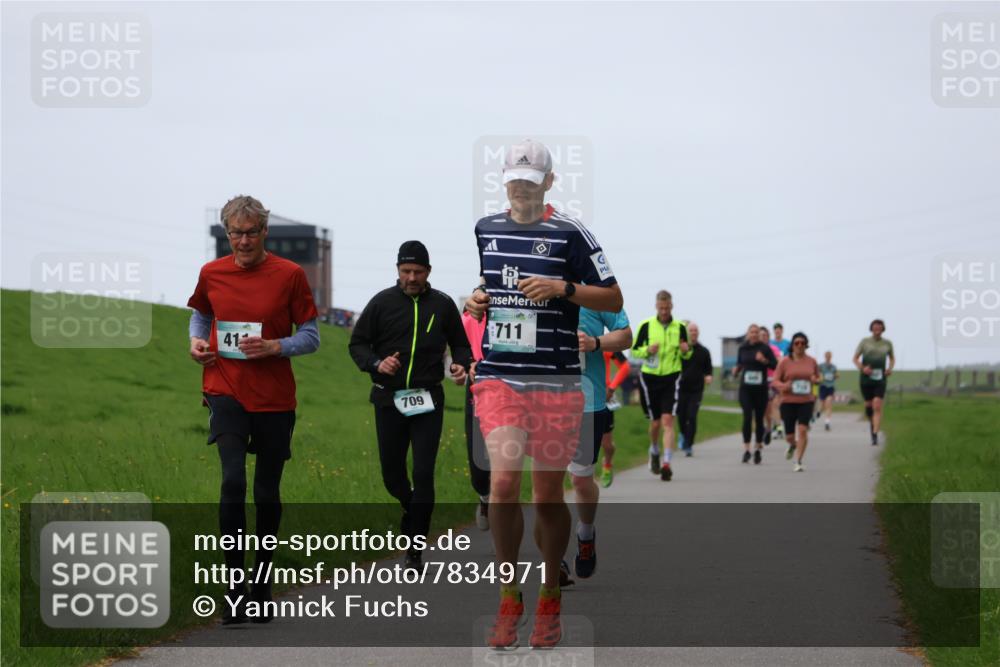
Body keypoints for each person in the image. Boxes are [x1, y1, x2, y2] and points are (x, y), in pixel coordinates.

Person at [464, 139, 622, 650]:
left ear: (549, 183)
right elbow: (489, 285)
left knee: (547, 495)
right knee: (504, 485)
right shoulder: (487, 228)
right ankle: (511, 594)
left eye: (531, 183)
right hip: (499, 377)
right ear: (504, 181)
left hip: (555, 381)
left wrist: (564, 290)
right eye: (514, 182)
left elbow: (614, 296)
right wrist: (476, 298)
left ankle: (550, 593)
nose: (521, 191)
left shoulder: (571, 233)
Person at [187, 195, 320, 624]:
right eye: (235, 233)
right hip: (225, 389)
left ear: (265, 232)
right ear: (227, 234)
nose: (243, 241)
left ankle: (261, 584)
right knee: (231, 483)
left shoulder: (290, 275)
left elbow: (312, 335)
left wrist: (275, 346)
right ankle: (233, 587)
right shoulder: (212, 273)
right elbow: (200, 314)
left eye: (250, 232)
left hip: (274, 397)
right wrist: (196, 343)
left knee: (265, 493)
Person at [349, 241, 473, 570]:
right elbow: (357, 343)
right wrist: (376, 364)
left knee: (423, 472)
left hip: (427, 398)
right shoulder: (381, 303)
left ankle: (415, 549)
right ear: (398, 271)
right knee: (393, 476)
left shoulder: (443, 304)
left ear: (428, 272)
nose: (412, 277)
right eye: (406, 271)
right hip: (388, 398)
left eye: (418, 271)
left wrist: (460, 364)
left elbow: (461, 344)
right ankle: (411, 509)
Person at [571, 307, 632, 579]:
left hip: (589, 400)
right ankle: (553, 559)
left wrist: (594, 343)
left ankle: (586, 533)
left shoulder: (595, 289)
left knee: (581, 481)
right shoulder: (534, 285)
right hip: (543, 398)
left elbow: (625, 339)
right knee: (545, 483)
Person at [632, 291, 691, 481]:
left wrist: (685, 351)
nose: (664, 311)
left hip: (671, 377)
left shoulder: (680, 328)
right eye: (661, 308)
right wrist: (647, 350)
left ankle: (667, 463)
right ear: (656, 306)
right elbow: (634, 352)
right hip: (650, 378)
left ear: (672, 306)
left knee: (668, 421)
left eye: (667, 308)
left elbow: (686, 354)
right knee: (655, 423)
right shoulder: (646, 326)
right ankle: (654, 449)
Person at [773, 332, 821, 471]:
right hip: (788, 401)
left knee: (803, 430)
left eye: (802, 343)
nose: (800, 346)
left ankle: (798, 461)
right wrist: (783, 386)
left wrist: (815, 380)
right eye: (797, 343)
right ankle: (793, 445)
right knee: (789, 436)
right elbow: (775, 380)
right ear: (792, 345)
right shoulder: (784, 362)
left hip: (806, 400)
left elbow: (818, 378)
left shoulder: (811, 361)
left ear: (806, 345)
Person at [461, 309, 492, 530]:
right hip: (478, 389)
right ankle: (484, 497)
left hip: (514, 386)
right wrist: (466, 364)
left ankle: (505, 549)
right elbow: (458, 346)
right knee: (479, 469)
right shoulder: (472, 311)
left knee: (507, 468)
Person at [731, 323, 777, 464]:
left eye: (757, 332)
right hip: (746, 389)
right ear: (748, 333)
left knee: (758, 419)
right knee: (747, 417)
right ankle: (746, 449)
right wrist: (736, 370)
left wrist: (763, 360)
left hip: (761, 389)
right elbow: (740, 364)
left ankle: (757, 449)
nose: (754, 334)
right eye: (752, 332)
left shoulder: (765, 348)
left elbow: (774, 365)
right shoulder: (743, 348)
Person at [853, 319, 895, 446]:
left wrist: (889, 369)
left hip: (880, 377)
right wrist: (863, 368)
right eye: (875, 327)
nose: (877, 329)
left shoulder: (887, 343)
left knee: (877, 404)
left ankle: (875, 434)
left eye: (879, 327)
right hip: (866, 377)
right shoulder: (865, 342)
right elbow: (855, 358)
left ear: (883, 329)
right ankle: (872, 425)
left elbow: (892, 358)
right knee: (868, 406)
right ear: (871, 329)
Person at [677, 322, 713, 457]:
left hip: (696, 390)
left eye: (695, 330)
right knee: (681, 416)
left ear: (698, 333)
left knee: (692, 416)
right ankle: (683, 434)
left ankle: (689, 444)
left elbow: (708, 369)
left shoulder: (704, 351)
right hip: (681, 388)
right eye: (691, 330)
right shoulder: (680, 349)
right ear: (687, 333)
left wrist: (709, 376)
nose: (693, 332)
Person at [599, 350, 630, 486]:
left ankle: (607, 463)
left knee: (607, 445)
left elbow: (625, 366)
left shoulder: (605, 343)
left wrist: (611, 389)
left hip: (603, 397)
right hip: (579, 396)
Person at [818, 351, 839, 431]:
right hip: (823, 386)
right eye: (827, 356)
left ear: (831, 357)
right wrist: (820, 377)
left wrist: (835, 376)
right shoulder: (821, 366)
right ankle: (819, 412)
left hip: (830, 387)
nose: (828, 357)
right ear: (825, 356)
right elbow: (817, 373)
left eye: (829, 356)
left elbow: (837, 375)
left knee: (828, 402)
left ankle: (827, 422)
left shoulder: (833, 366)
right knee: (822, 404)